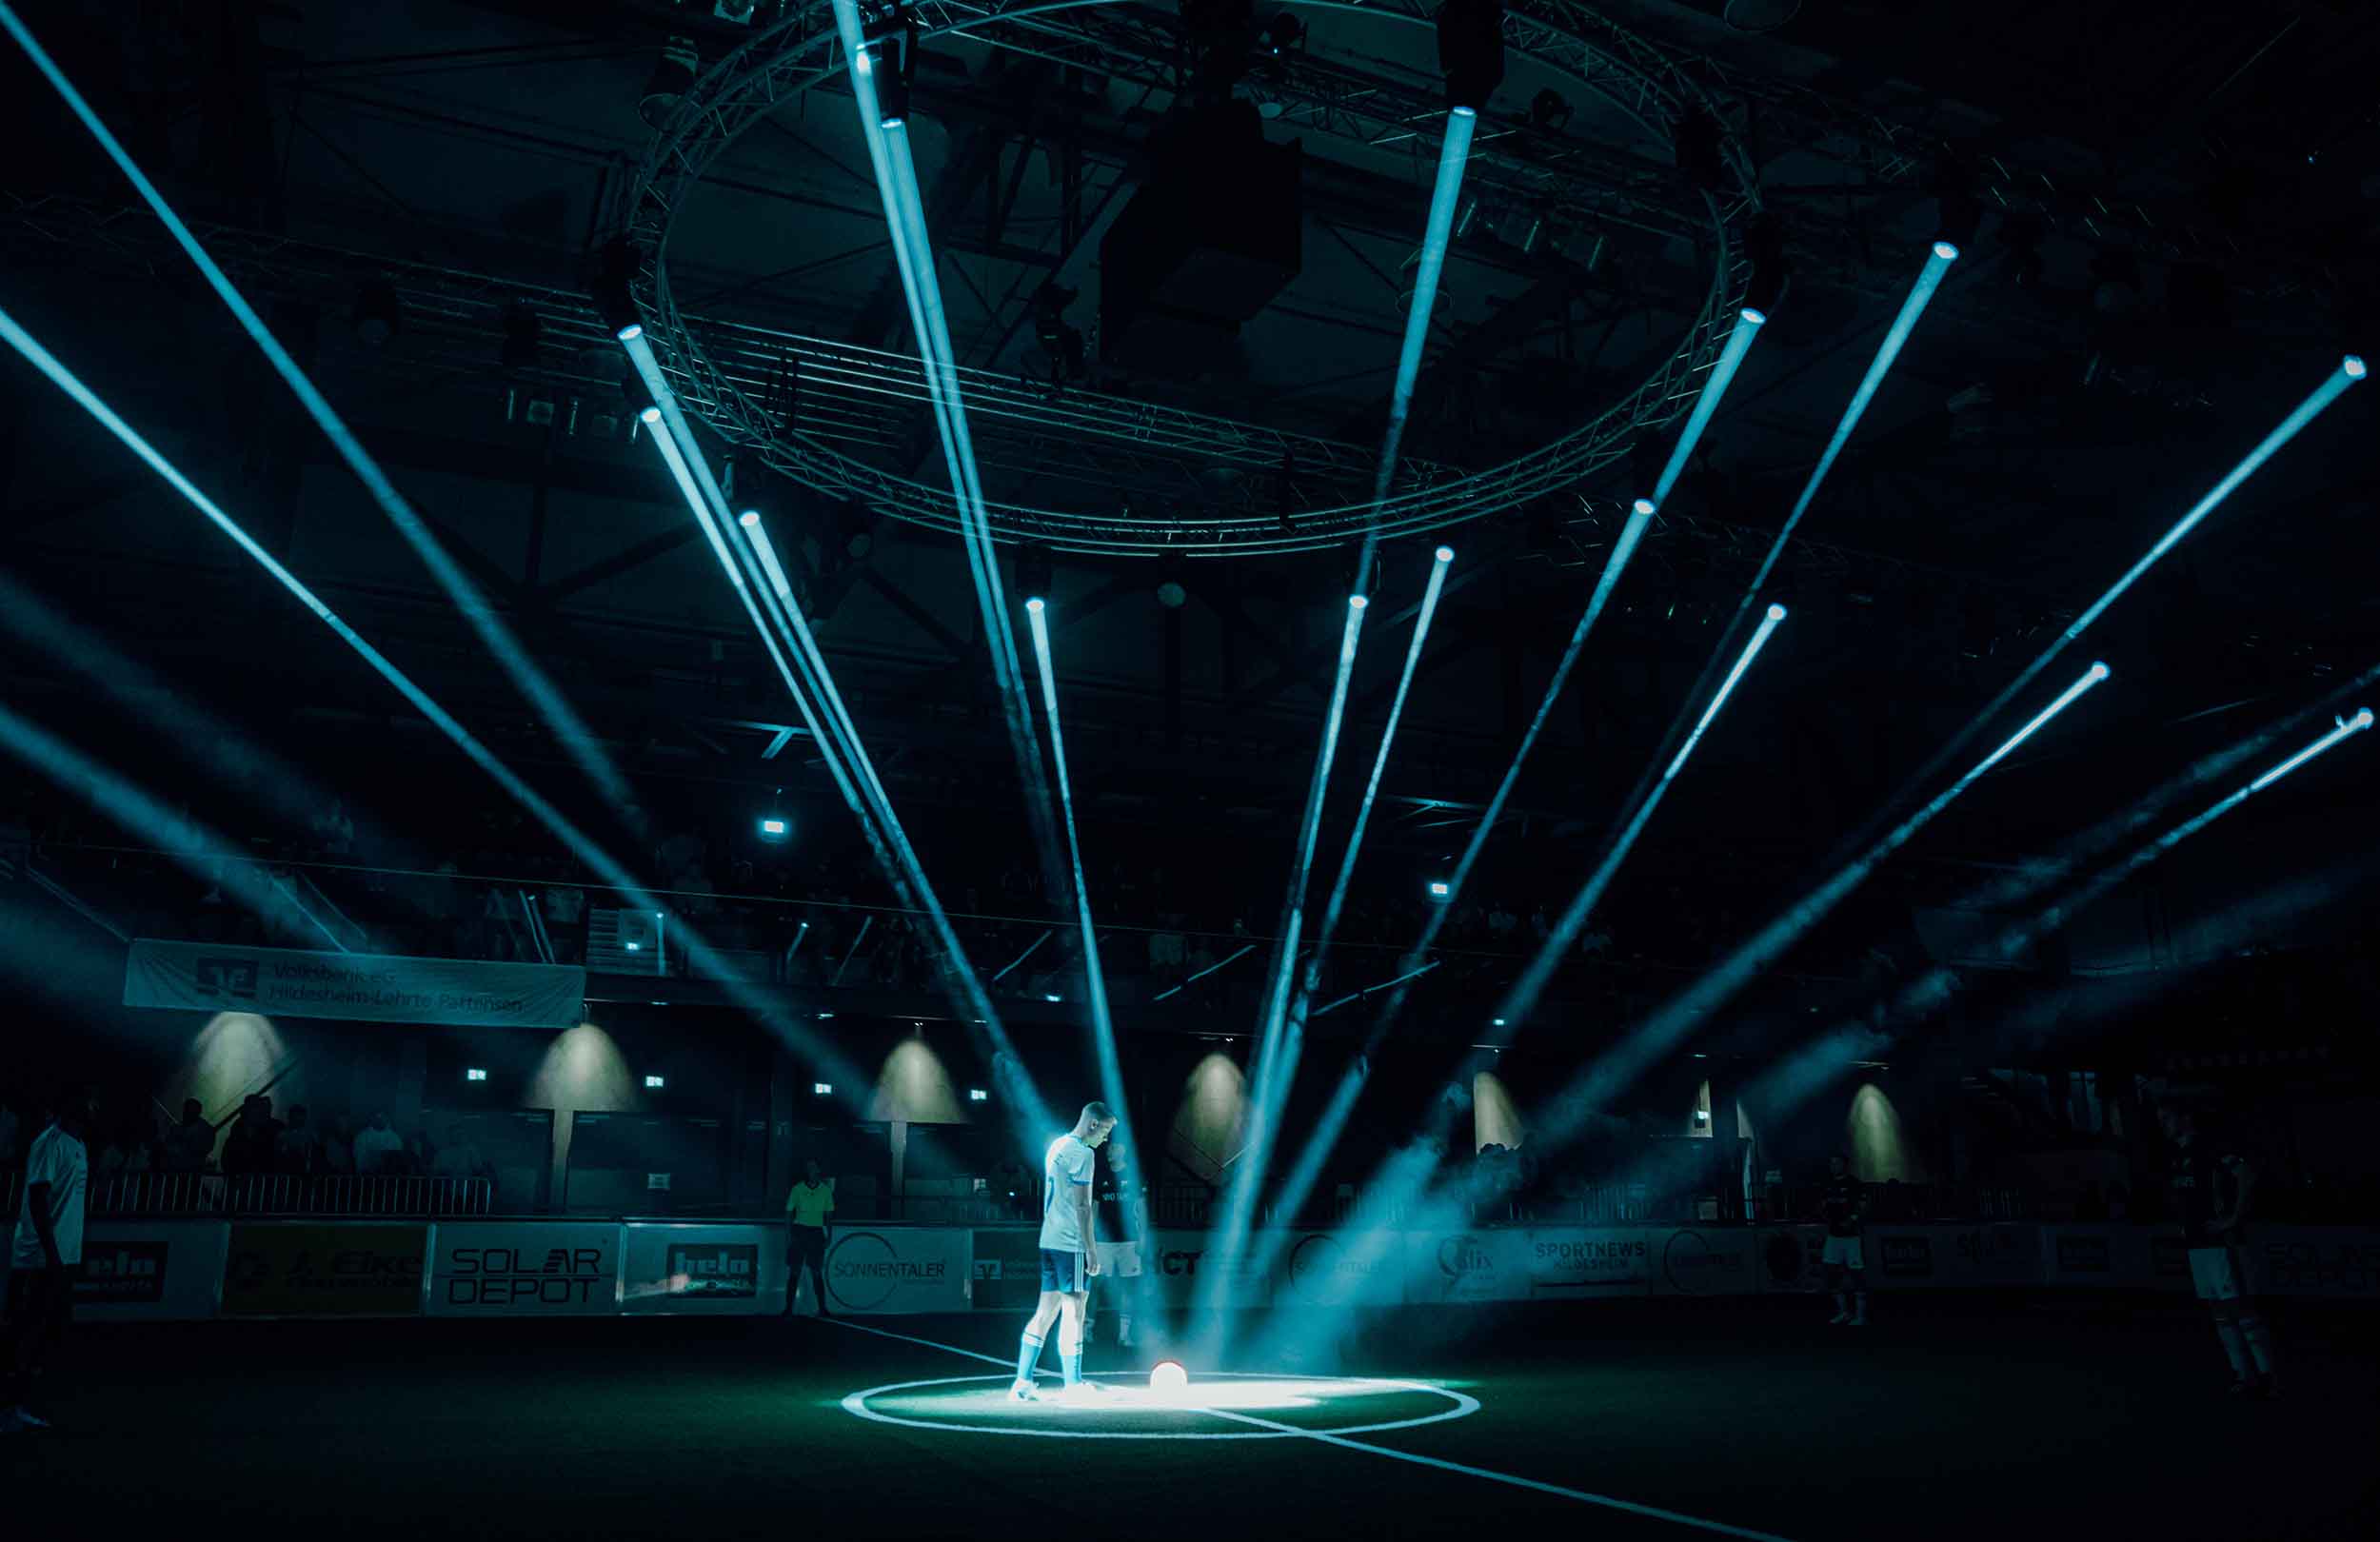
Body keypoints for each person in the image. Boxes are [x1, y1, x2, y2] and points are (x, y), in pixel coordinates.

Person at [2163, 1103, 2276, 1396]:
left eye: (2168, 1117)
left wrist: (2234, 1218)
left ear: (2186, 1117)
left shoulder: (2209, 1148)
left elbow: (2246, 1173)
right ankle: (2243, 1374)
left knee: (2240, 1306)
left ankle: (2267, 1375)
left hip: (2221, 1243)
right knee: (2219, 1311)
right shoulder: (2175, 1156)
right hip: (2198, 1245)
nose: (2163, 1124)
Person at [3, 1083, 97, 1433]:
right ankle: (9, 1407)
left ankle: (20, 1401)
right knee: (24, 1330)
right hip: (41, 1258)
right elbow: (38, 1199)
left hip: (60, 1257)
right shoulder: (50, 1143)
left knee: (47, 1329)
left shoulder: (78, 1144)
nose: (94, 1108)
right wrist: (52, 1254)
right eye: (88, 1102)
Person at [1010, 1102, 1116, 1401]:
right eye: (1105, 1130)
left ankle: (1022, 1382)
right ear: (1093, 1124)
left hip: (1049, 1239)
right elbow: (1083, 1206)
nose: (1105, 1138)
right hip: (1071, 1243)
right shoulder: (1083, 1153)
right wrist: (1091, 1249)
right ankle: (1073, 1384)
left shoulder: (1057, 1145)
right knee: (1074, 1313)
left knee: (1045, 1312)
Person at [1088, 1133, 1147, 1348]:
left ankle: (1124, 1335)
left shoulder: (1133, 1176)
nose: (1110, 1150)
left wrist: (1143, 1238)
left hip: (1129, 1243)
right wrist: (1090, 1239)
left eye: (1114, 1147)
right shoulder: (1100, 1176)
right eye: (1109, 1148)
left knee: (1128, 1289)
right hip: (1103, 1243)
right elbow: (1094, 1210)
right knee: (1095, 1286)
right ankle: (1087, 1329)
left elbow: (1141, 1209)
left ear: (1124, 1150)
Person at [782, 1158, 835, 1318]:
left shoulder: (825, 1191)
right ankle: (788, 1309)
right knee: (795, 1271)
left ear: (818, 1170)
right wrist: (788, 1235)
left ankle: (822, 1309)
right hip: (799, 1231)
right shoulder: (797, 1189)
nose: (810, 1170)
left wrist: (829, 1235)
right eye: (808, 1168)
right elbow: (788, 1213)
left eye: (813, 1167)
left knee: (816, 1271)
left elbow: (829, 1216)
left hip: (816, 1232)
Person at [1819, 1154, 1869, 1326]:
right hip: (1833, 1237)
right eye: (1831, 1163)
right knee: (1829, 1273)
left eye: (1837, 1163)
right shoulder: (1827, 1184)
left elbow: (1863, 1207)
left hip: (1851, 1237)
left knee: (1857, 1274)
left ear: (1845, 1165)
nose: (1833, 1166)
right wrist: (1825, 1216)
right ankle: (1844, 1312)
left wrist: (1852, 1219)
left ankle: (1861, 1316)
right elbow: (1822, 1205)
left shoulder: (1855, 1184)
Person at [160, 1099, 214, 1174]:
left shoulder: (206, 1129)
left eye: (188, 1110)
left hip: (191, 1169)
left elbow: (204, 1149)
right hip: (176, 1168)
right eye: (185, 1110)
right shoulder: (177, 1127)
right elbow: (168, 1144)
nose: (185, 1113)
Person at [353, 1112, 404, 1176]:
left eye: (382, 1117)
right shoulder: (362, 1137)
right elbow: (359, 1159)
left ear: (387, 1119)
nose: (379, 1120)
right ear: (371, 1119)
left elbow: (399, 1159)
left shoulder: (395, 1138)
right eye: (377, 1117)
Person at [275, 1106, 321, 1176]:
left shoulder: (311, 1135)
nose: (299, 1119)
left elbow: (314, 1154)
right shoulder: (282, 1135)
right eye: (297, 1116)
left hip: (305, 1171)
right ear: (290, 1118)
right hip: (286, 1171)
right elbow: (280, 1153)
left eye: (301, 1116)